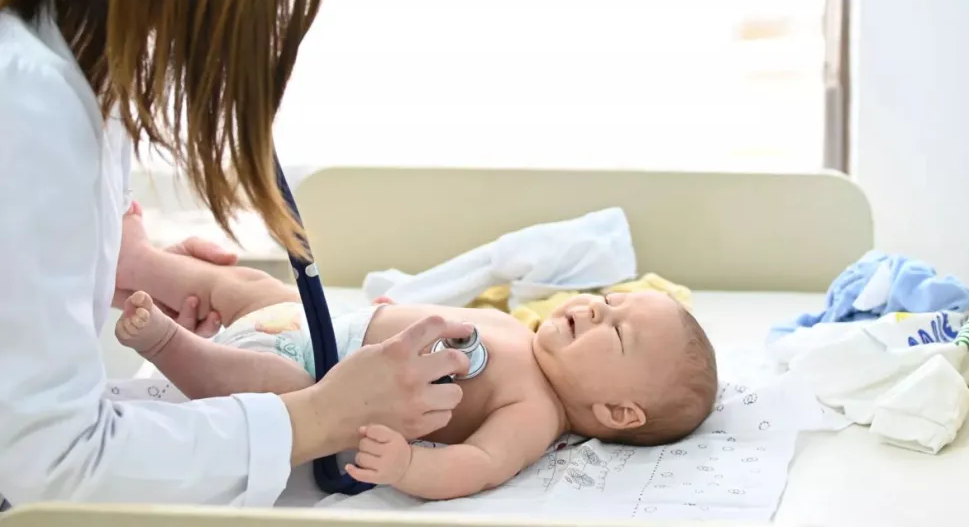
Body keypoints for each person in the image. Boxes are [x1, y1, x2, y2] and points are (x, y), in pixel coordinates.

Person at [0, 0, 471, 509]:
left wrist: (106, 261)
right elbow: (50, 468)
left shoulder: (55, 68)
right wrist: (319, 418)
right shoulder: (26, 97)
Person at [113, 206, 719, 501]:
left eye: (615, 333)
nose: (592, 309)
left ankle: (167, 344)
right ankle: (138, 262)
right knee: (250, 287)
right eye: (608, 301)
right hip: (322, 323)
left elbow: (479, 464)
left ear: (617, 412)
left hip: (319, 379)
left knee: (271, 385)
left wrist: (406, 466)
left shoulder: (535, 411)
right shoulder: (524, 331)